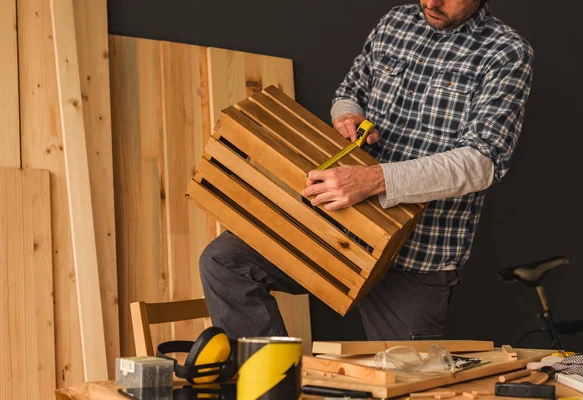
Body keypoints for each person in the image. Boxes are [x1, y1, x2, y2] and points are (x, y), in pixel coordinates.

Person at [200, 0, 535, 340]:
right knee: (225, 261)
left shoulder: (505, 51)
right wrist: (347, 116)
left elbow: (482, 162)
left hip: (416, 255)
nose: (432, 3)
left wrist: (375, 180)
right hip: (337, 227)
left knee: (405, 382)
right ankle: (270, 385)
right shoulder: (396, 21)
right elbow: (349, 93)